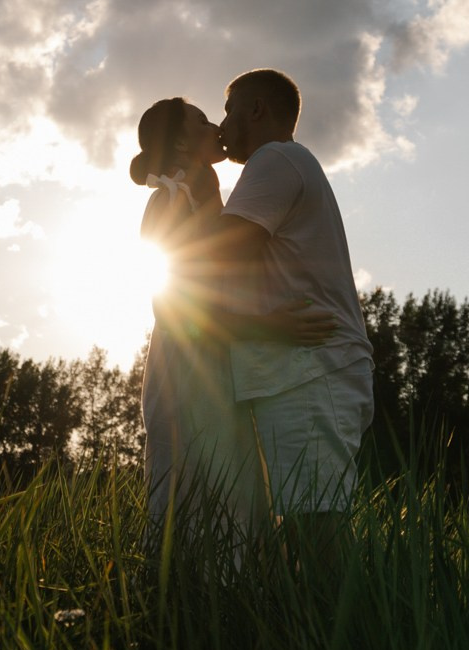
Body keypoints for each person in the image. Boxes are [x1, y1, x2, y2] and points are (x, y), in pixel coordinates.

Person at [131, 96, 330, 550]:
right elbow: (172, 303)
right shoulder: (170, 198)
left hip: (218, 357)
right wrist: (267, 326)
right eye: (203, 121)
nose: (217, 127)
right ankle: (181, 600)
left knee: (231, 480)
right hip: (187, 363)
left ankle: (231, 599)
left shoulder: (206, 191)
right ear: (183, 141)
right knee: (196, 476)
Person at [190, 68, 374, 547]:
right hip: (299, 370)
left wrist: (191, 175)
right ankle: (318, 622)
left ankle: (347, 624)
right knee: (298, 528)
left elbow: (215, 257)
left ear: (256, 109)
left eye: (229, 111)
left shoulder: (275, 159)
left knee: (315, 528)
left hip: (309, 368)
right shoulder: (283, 164)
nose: (223, 125)